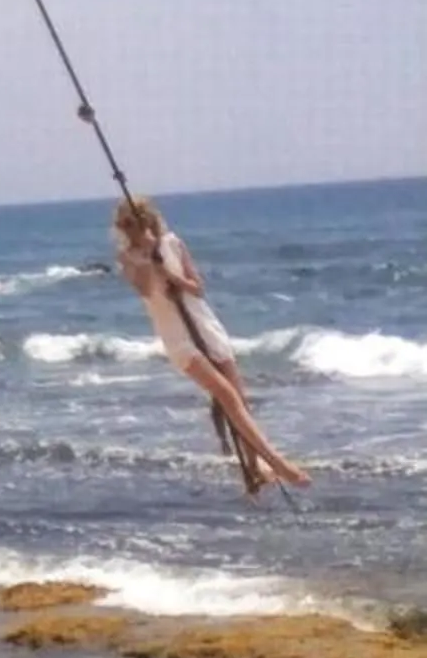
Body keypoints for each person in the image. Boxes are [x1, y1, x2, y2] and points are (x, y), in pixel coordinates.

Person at [112, 193, 307, 495]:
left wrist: (171, 274)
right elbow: (146, 291)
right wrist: (150, 260)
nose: (135, 229)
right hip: (178, 338)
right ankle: (278, 462)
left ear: (150, 221)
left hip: (204, 324)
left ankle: (254, 470)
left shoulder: (173, 244)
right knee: (225, 395)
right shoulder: (129, 258)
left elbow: (197, 288)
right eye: (128, 225)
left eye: (139, 222)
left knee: (239, 401)